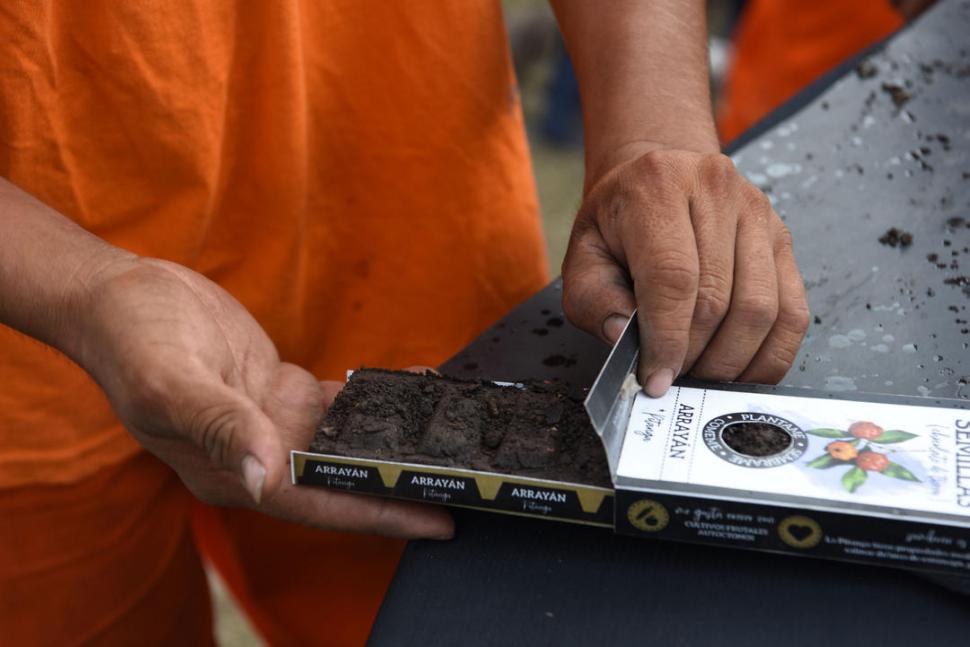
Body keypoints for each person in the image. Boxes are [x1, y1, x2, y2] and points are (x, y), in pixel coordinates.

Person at [0, 2, 809, 644]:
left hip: (398, 196)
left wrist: (650, 133)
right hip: (26, 309)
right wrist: (80, 288)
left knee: (450, 603)